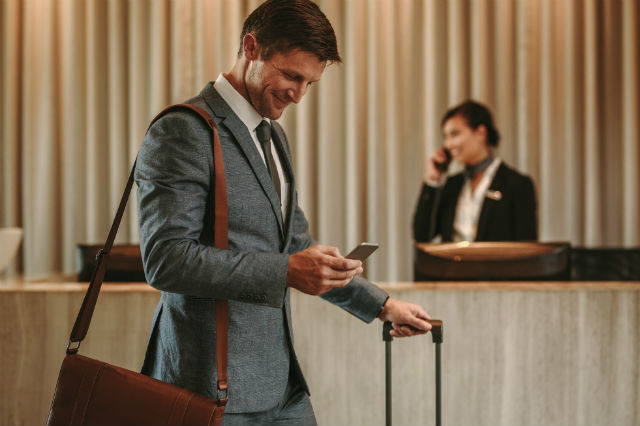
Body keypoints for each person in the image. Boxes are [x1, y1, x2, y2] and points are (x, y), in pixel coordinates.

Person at [135, 1, 432, 424]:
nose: (299, 94)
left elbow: (295, 247)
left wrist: (382, 305)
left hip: (282, 385)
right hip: (210, 389)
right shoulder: (184, 129)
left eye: (310, 82)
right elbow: (165, 261)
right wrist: (286, 271)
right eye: (292, 75)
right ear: (251, 47)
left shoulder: (273, 136)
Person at [413, 100, 538, 243]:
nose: (448, 144)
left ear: (480, 133)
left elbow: (527, 249)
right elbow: (422, 235)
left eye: (455, 134)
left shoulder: (516, 184)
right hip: (452, 265)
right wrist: (433, 180)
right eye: (446, 137)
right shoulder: (452, 185)